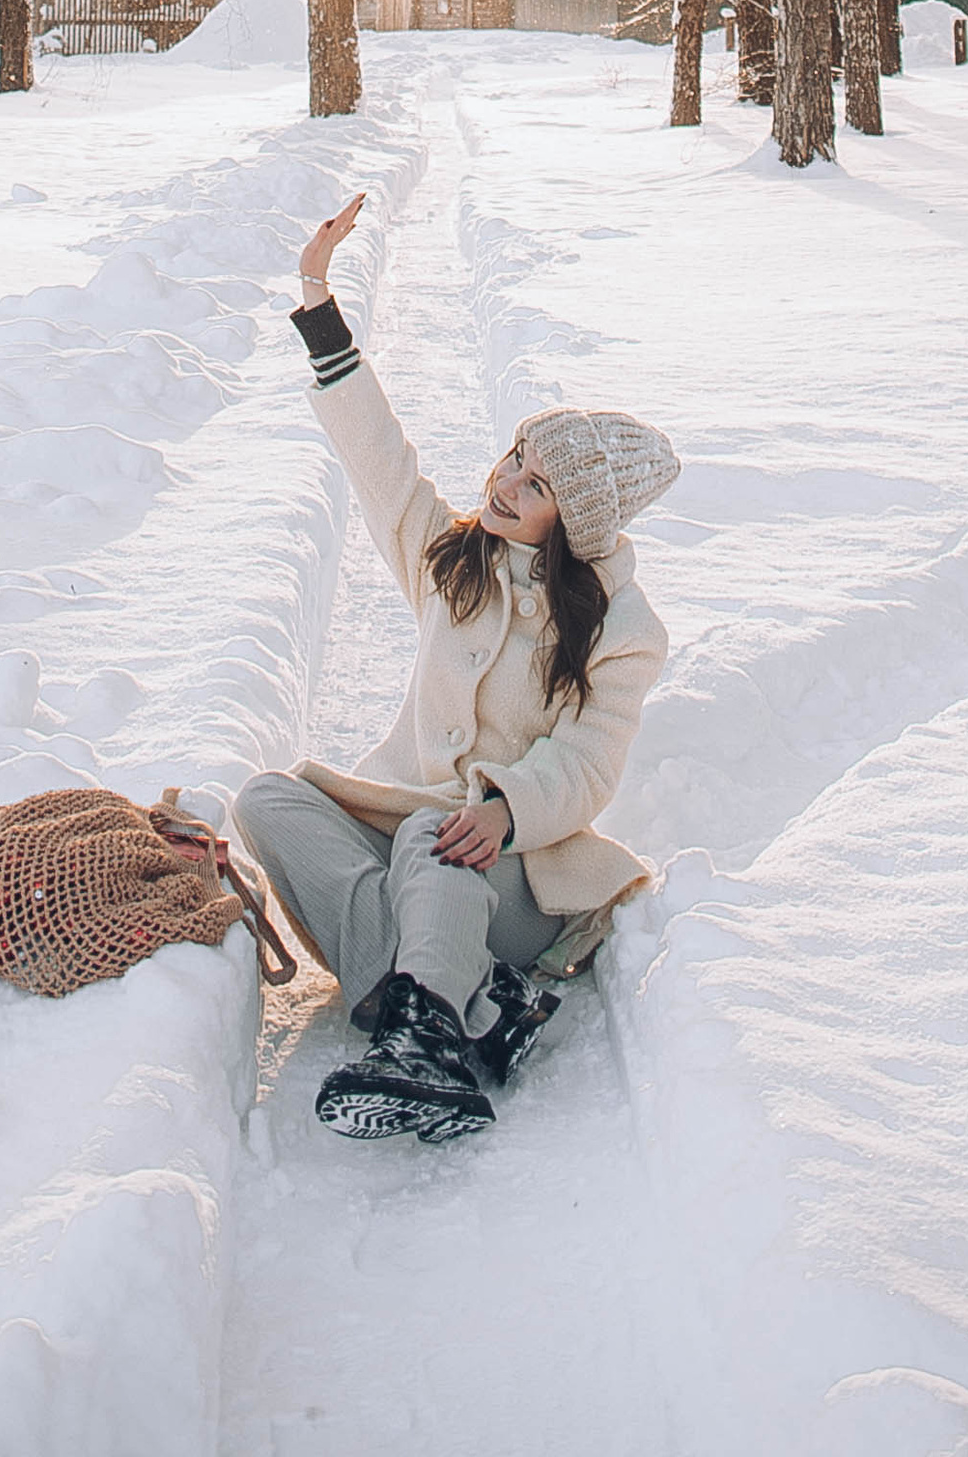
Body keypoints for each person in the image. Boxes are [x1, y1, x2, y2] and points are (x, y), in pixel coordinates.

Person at [230, 188, 679, 1146]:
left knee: (431, 844)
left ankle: (424, 1034)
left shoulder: (621, 626)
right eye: (515, 457)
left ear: (578, 521)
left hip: (518, 875)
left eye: (536, 483)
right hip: (421, 844)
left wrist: (506, 807)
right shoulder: (454, 558)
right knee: (268, 800)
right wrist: (316, 293)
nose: (505, 482)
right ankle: (461, 1013)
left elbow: (593, 760)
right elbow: (377, 457)